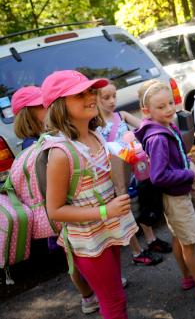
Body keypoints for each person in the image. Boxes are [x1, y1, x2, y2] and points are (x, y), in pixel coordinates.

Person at [44, 70, 138, 319]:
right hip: (88, 240)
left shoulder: (95, 135)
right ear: (59, 106)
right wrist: (106, 210)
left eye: (90, 91)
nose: (90, 97)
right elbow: (54, 210)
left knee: (116, 294)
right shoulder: (61, 154)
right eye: (80, 94)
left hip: (109, 230)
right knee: (115, 302)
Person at [12, 85, 102, 315]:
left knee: (80, 252)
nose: (48, 107)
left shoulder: (50, 137)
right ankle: (88, 296)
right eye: (41, 106)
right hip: (58, 210)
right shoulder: (38, 145)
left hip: (64, 206)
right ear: (27, 114)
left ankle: (98, 286)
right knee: (74, 256)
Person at [134, 79, 195, 300]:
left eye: (170, 103)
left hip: (175, 195)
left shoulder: (166, 126)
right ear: (147, 111)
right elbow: (159, 175)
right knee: (189, 243)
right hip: (175, 197)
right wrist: (189, 174)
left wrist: (188, 162)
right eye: (161, 106)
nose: (169, 109)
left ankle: (188, 276)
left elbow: (177, 156)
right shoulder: (157, 138)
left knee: (178, 238)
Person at [97, 81, 169, 266]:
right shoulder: (94, 126)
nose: (112, 101)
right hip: (115, 175)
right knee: (125, 211)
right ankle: (137, 251)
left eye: (114, 96)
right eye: (106, 97)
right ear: (96, 99)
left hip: (135, 170)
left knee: (143, 203)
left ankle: (151, 239)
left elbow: (145, 127)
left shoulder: (121, 116)